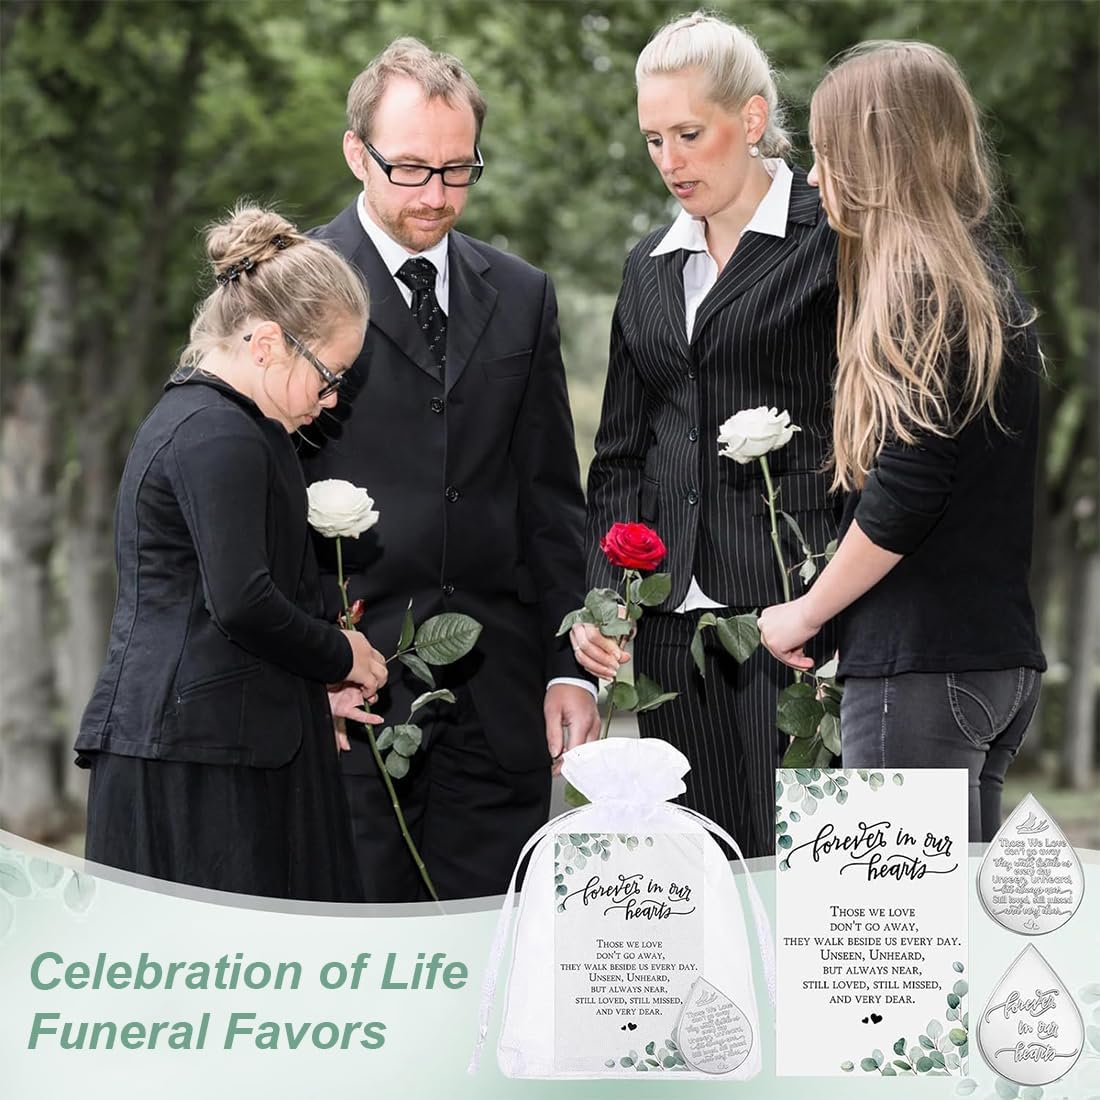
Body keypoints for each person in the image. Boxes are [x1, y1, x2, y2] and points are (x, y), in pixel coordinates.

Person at [300, 38, 600, 902]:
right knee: (360, 951)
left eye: (458, 170)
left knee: (494, 948)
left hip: (501, 704)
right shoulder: (290, 288)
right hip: (349, 698)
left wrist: (568, 667)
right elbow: (257, 499)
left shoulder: (523, 294)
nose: (436, 195)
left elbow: (549, 497)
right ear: (356, 152)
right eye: (410, 169)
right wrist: (304, 671)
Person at [758, 41, 1045, 843]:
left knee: (889, 926)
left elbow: (909, 491)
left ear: (878, 159)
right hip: (994, 662)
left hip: (919, 673)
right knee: (960, 918)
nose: (814, 178)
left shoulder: (917, 294)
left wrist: (805, 612)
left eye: (828, 155)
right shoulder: (983, 286)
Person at [572, 11, 839, 859]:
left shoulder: (834, 239)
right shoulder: (647, 264)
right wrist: (603, 599)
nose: (669, 160)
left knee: (809, 883)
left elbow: (873, 436)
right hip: (667, 632)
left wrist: (836, 606)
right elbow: (622, 454)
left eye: (689, 134)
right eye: (653, 140)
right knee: (701, 877)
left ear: (752, 118)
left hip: (795, 618)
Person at [76, 204, 389, 900]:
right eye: (330, 374)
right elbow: (242, 603)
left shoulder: (215, 422)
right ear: (267, 343)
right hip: (195, 764)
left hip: (206, 745)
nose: (331, 400)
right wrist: (341, 655)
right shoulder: (219, 433)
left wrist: (310, 692)